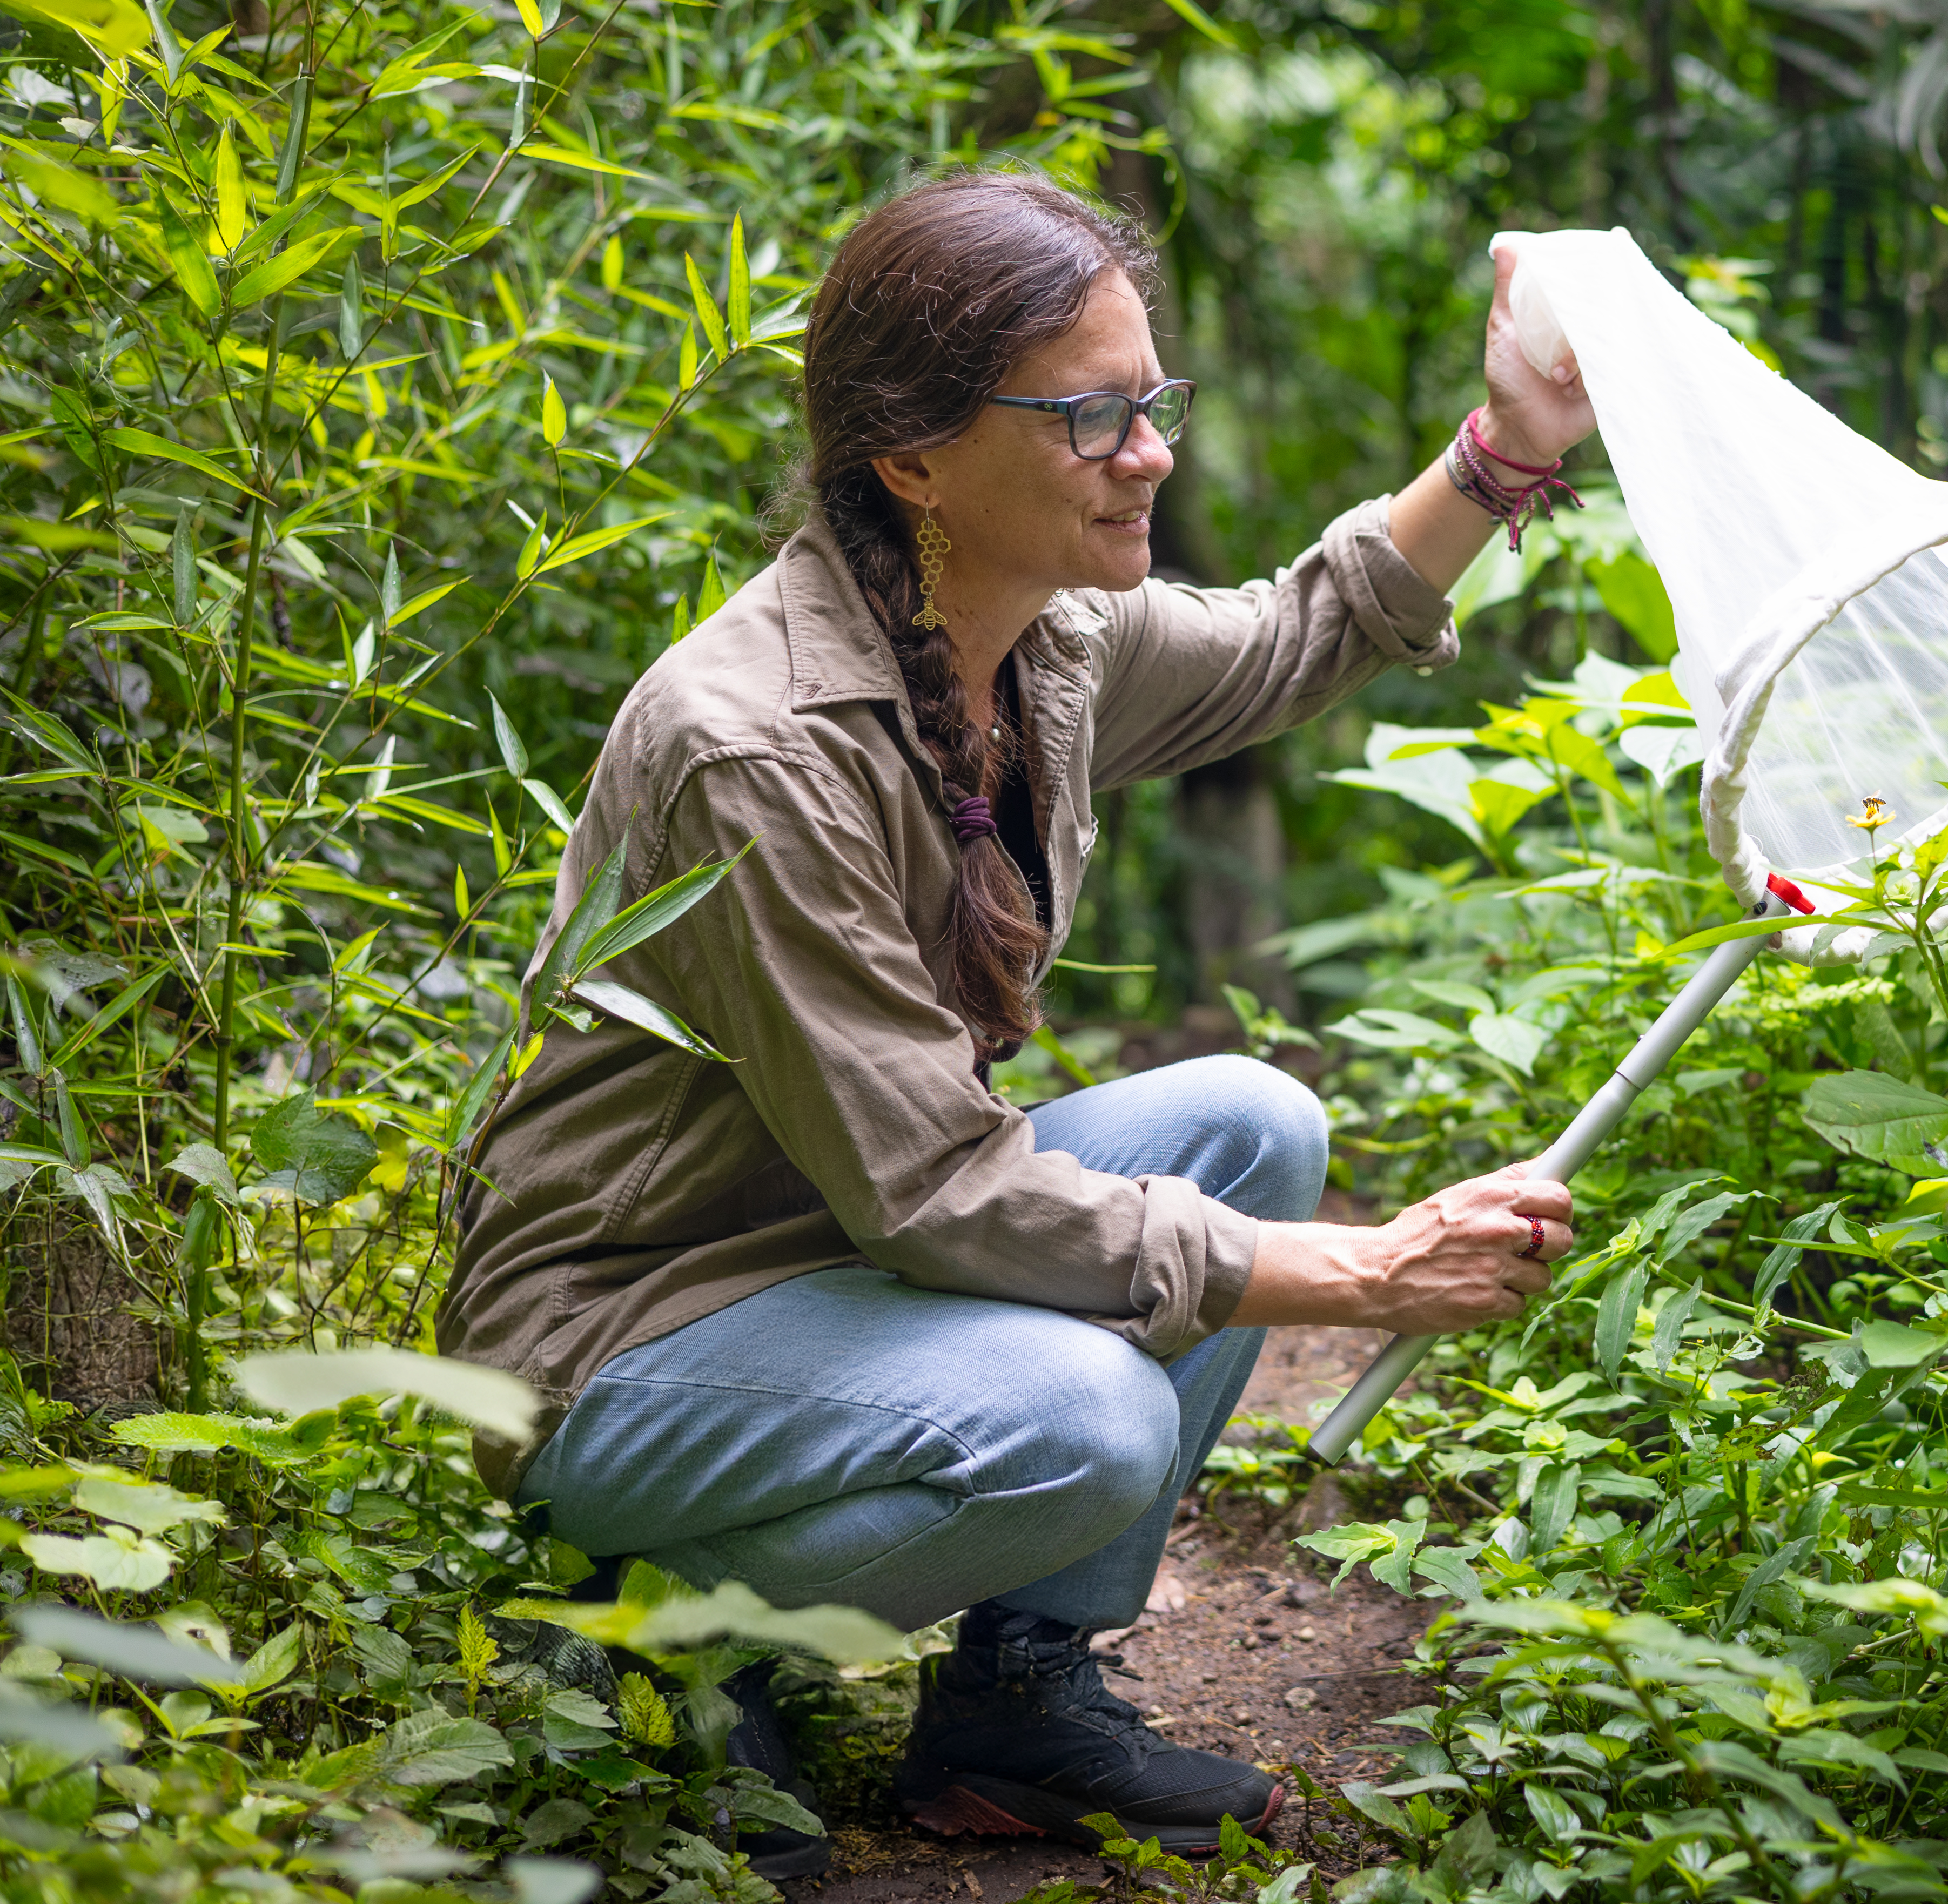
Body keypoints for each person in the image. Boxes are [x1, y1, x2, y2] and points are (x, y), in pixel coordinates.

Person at [436, 166, 1596, 1871]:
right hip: (630, 1329)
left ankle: (1011, 1703)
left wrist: (1508, 449)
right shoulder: (753, 745)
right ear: (915, 461)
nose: (1152, 453)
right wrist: (1364, 1273)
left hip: (829, 1252)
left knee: (1250, 1123)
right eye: (1093, 416)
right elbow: (940, 1193)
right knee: (1091, 1422)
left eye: (1153, 403)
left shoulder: (1039, 640)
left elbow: (1295, 632)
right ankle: (646, 1641)